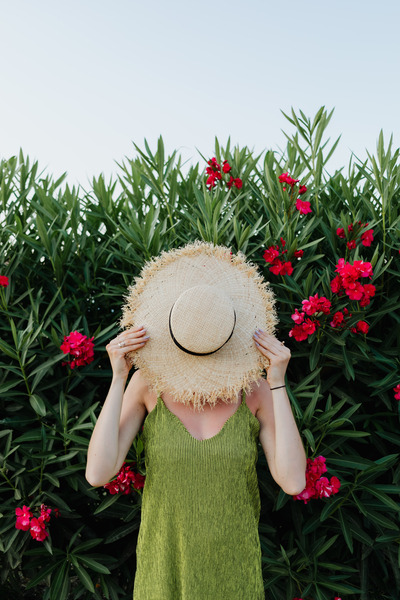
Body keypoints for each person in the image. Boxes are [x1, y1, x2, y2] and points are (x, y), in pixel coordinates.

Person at [86, 241, 307, 600]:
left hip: (234, 578)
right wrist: (118, 378)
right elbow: (98, 473)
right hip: (164, 576)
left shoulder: (254, 390)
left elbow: (294, 481)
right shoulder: (148, 385)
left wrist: (277, 381)